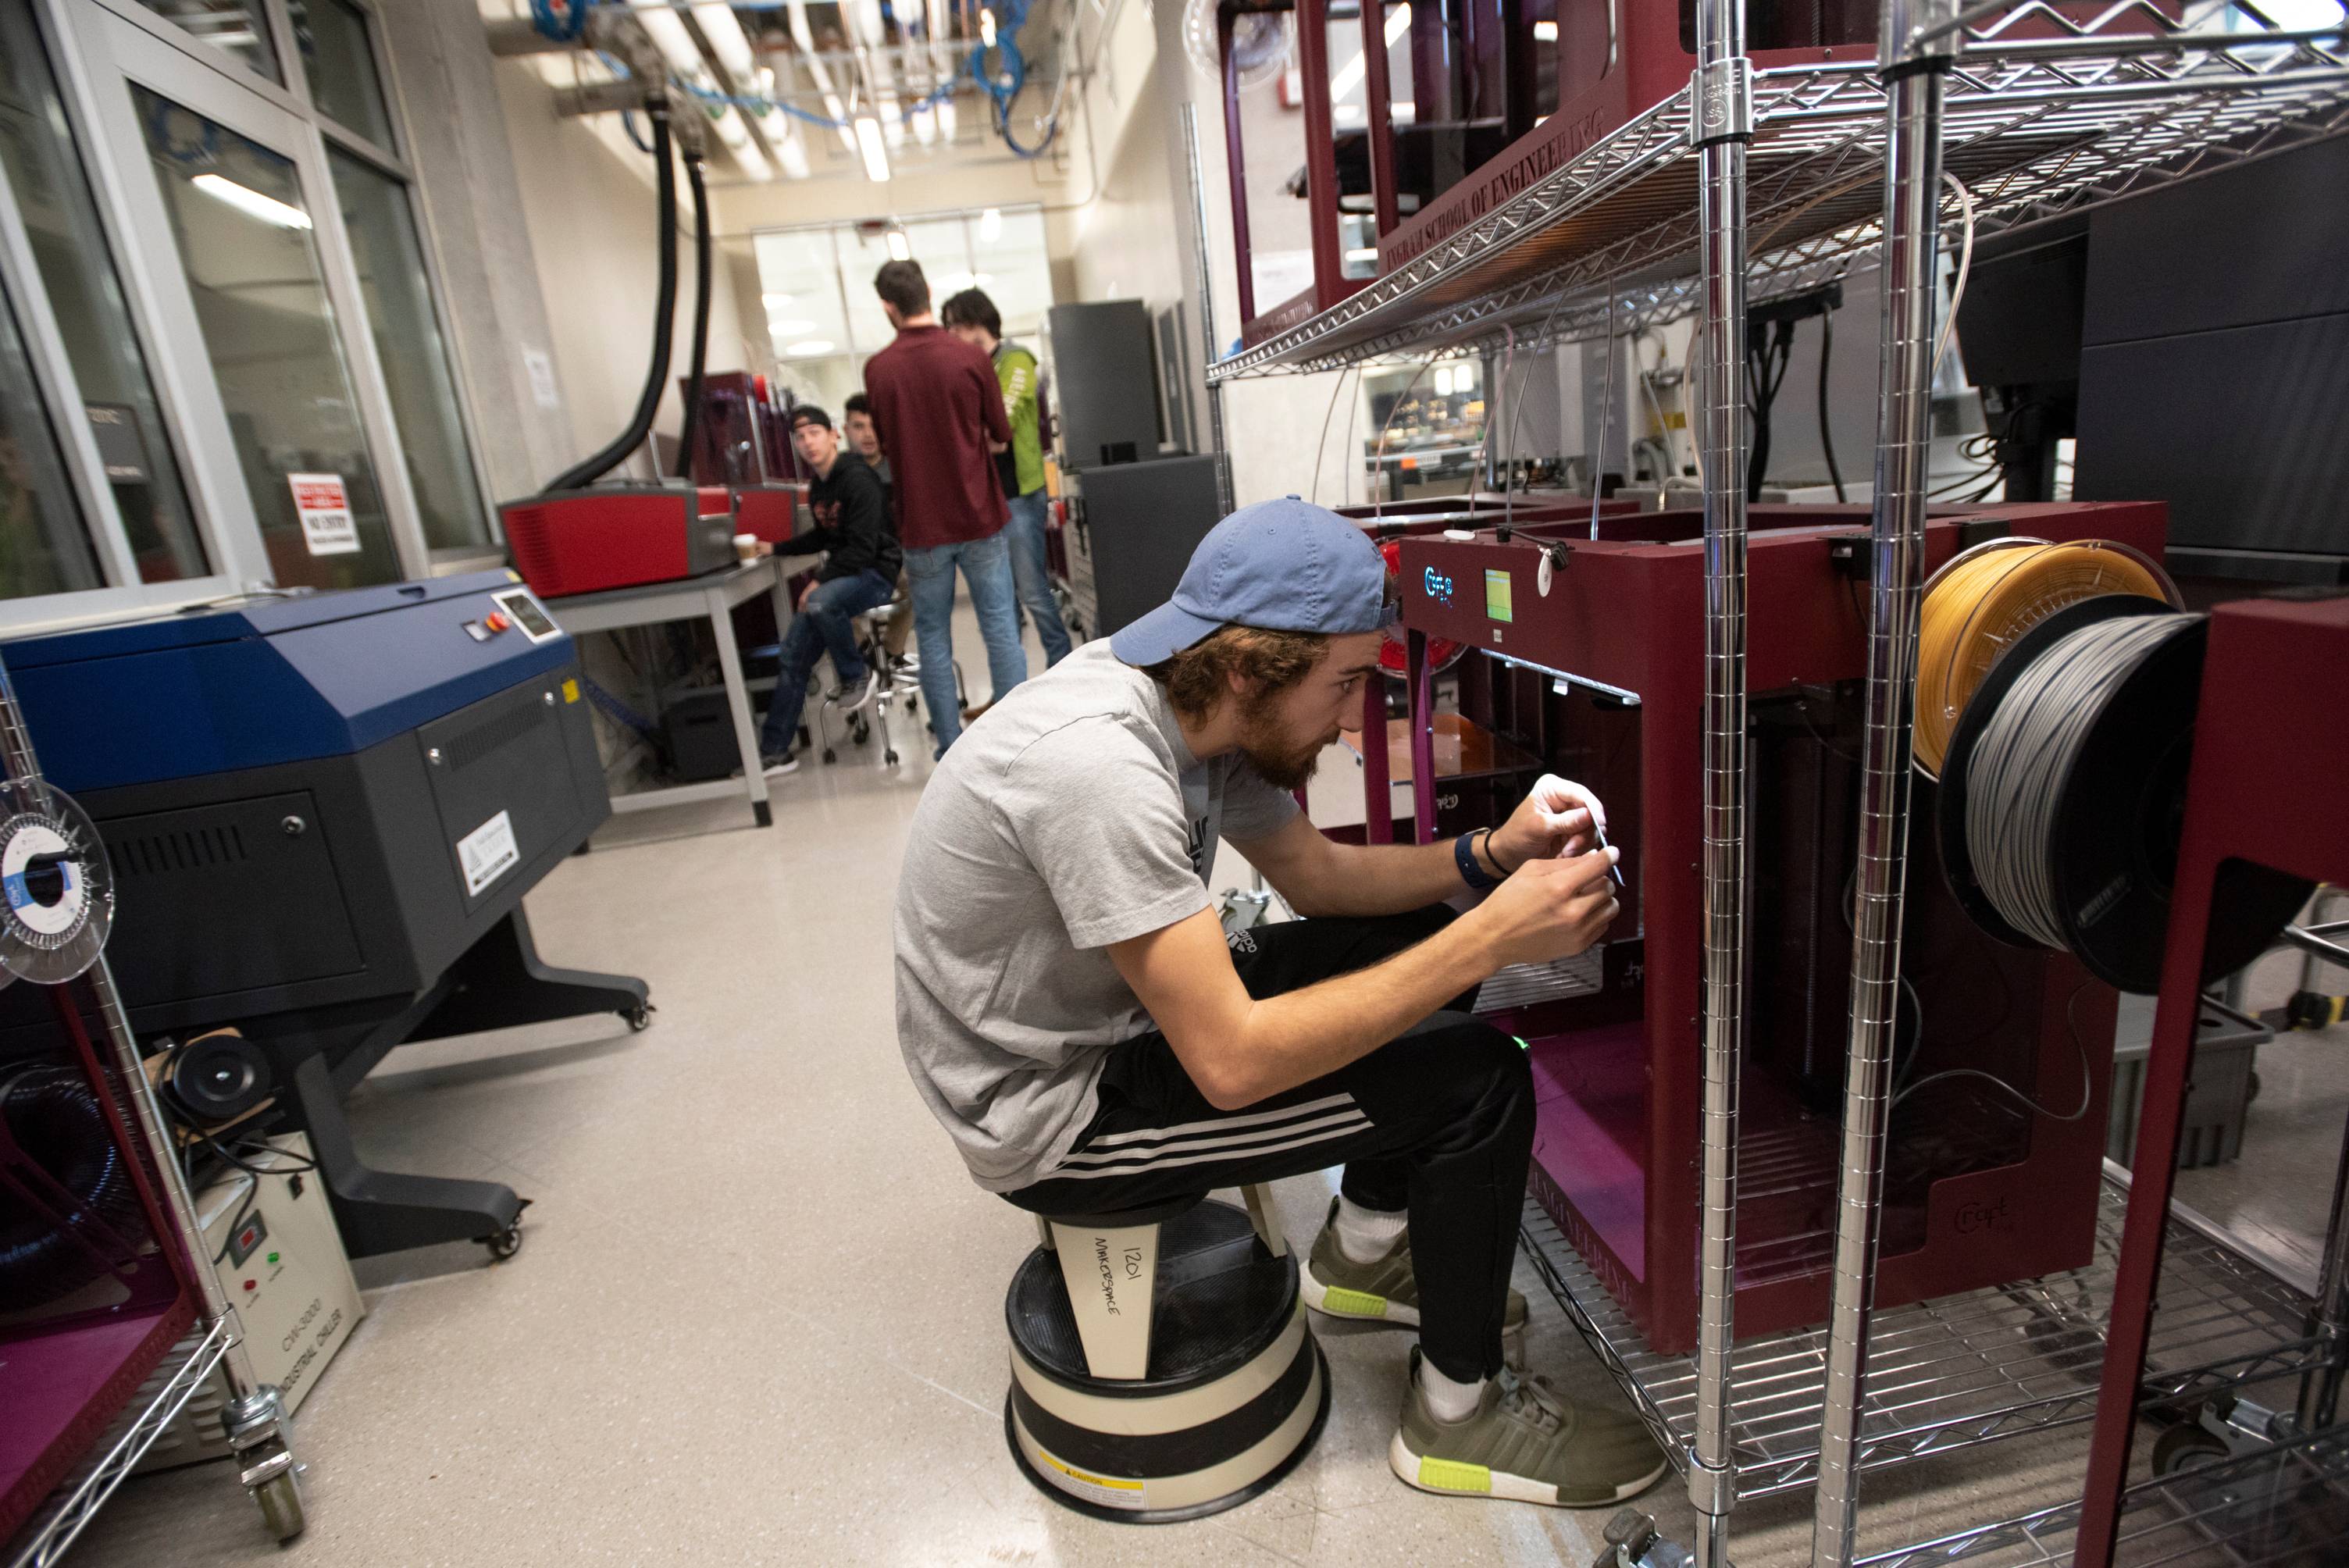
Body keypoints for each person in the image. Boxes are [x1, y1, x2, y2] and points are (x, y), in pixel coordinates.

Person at [894, 497, 1666, 1509]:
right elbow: (1233, 1061)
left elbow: (1320, 878)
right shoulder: (1099, 769)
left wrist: (1488, 859)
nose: (1353, 718)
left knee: (1429, 939)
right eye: (1345, 684)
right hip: (1049, 1111)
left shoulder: (1196, 711)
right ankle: (1459, 1418)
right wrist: (1497, 932)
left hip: (1108, 1019)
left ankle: (1371, 1246)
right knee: (1483, 1085)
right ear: (1255, 667)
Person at [860, 258, 1027, 756]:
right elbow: (1001, 431)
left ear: (888, 308)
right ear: (928, 292)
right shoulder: (970, 359)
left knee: (932, 634)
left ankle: (951, 746)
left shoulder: (878, 369)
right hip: (980, 518)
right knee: (999, 623)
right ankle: (1019, 740)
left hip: (922, 527)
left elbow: (885, 446)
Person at [754, 405, 901, 774]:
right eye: (800, 437)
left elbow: (863, 547)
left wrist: (820, 582)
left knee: (818, 602)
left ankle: (856, 675)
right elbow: (826, 535)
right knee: (792, 655)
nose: (808, 442)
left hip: (875, 575)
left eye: (815, 434)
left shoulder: (857, 478)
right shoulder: (820, 484)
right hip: (844, 578)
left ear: (833, 434)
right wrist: (776, 548)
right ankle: (775, 751)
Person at [939, 287, 1072, 667]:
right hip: (988, 499)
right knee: (1001, 599)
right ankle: (1010, 687)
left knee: (1031, 590)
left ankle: (1060, 668)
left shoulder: (1016, 360)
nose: (949, 335)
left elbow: (999, 434)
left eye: (953, 326)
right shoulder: (970, 366)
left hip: (1018, 493)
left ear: (974, 322)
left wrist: (973, 432)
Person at [842, 390, 911, 666]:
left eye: (873, 426)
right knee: (826, 601)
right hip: (855, 561)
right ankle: (865, 652)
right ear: (846, 430)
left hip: (896, 560)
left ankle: (892, 651)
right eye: (859, 427)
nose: (868, 435)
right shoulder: (840, 473)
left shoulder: (899, 470)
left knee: (924, 583)